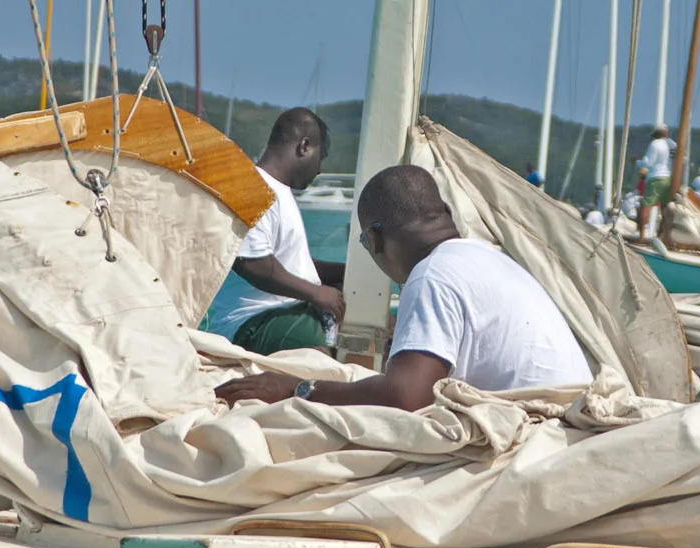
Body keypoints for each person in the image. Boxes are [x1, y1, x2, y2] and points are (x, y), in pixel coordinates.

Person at [215, 164, 590, 410]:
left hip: (537, 432)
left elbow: (405, 397)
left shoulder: (431, 275)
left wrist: (298, 390)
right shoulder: (489, 260)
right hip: (565, 414)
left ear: (377, 239)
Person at [210, 109, 344, 353]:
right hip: (254, 320)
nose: (319, 170)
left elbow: (284, 262)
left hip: (285, 311)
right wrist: (317, 293)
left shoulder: (277, 191)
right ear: (304, 146)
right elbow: (253, 265)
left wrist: (341, 273)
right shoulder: (253, 187)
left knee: (374, 320)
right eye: (320, 157)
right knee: (320, 356)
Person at [639, 126, 674, 205]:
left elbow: (648, 162)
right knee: (665, 205)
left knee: (646, 205)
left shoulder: (655, 143)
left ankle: (644, 217)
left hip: (656, 178)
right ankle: (665, 218)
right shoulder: (673, 144)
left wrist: (637, 162)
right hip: (669, 178)